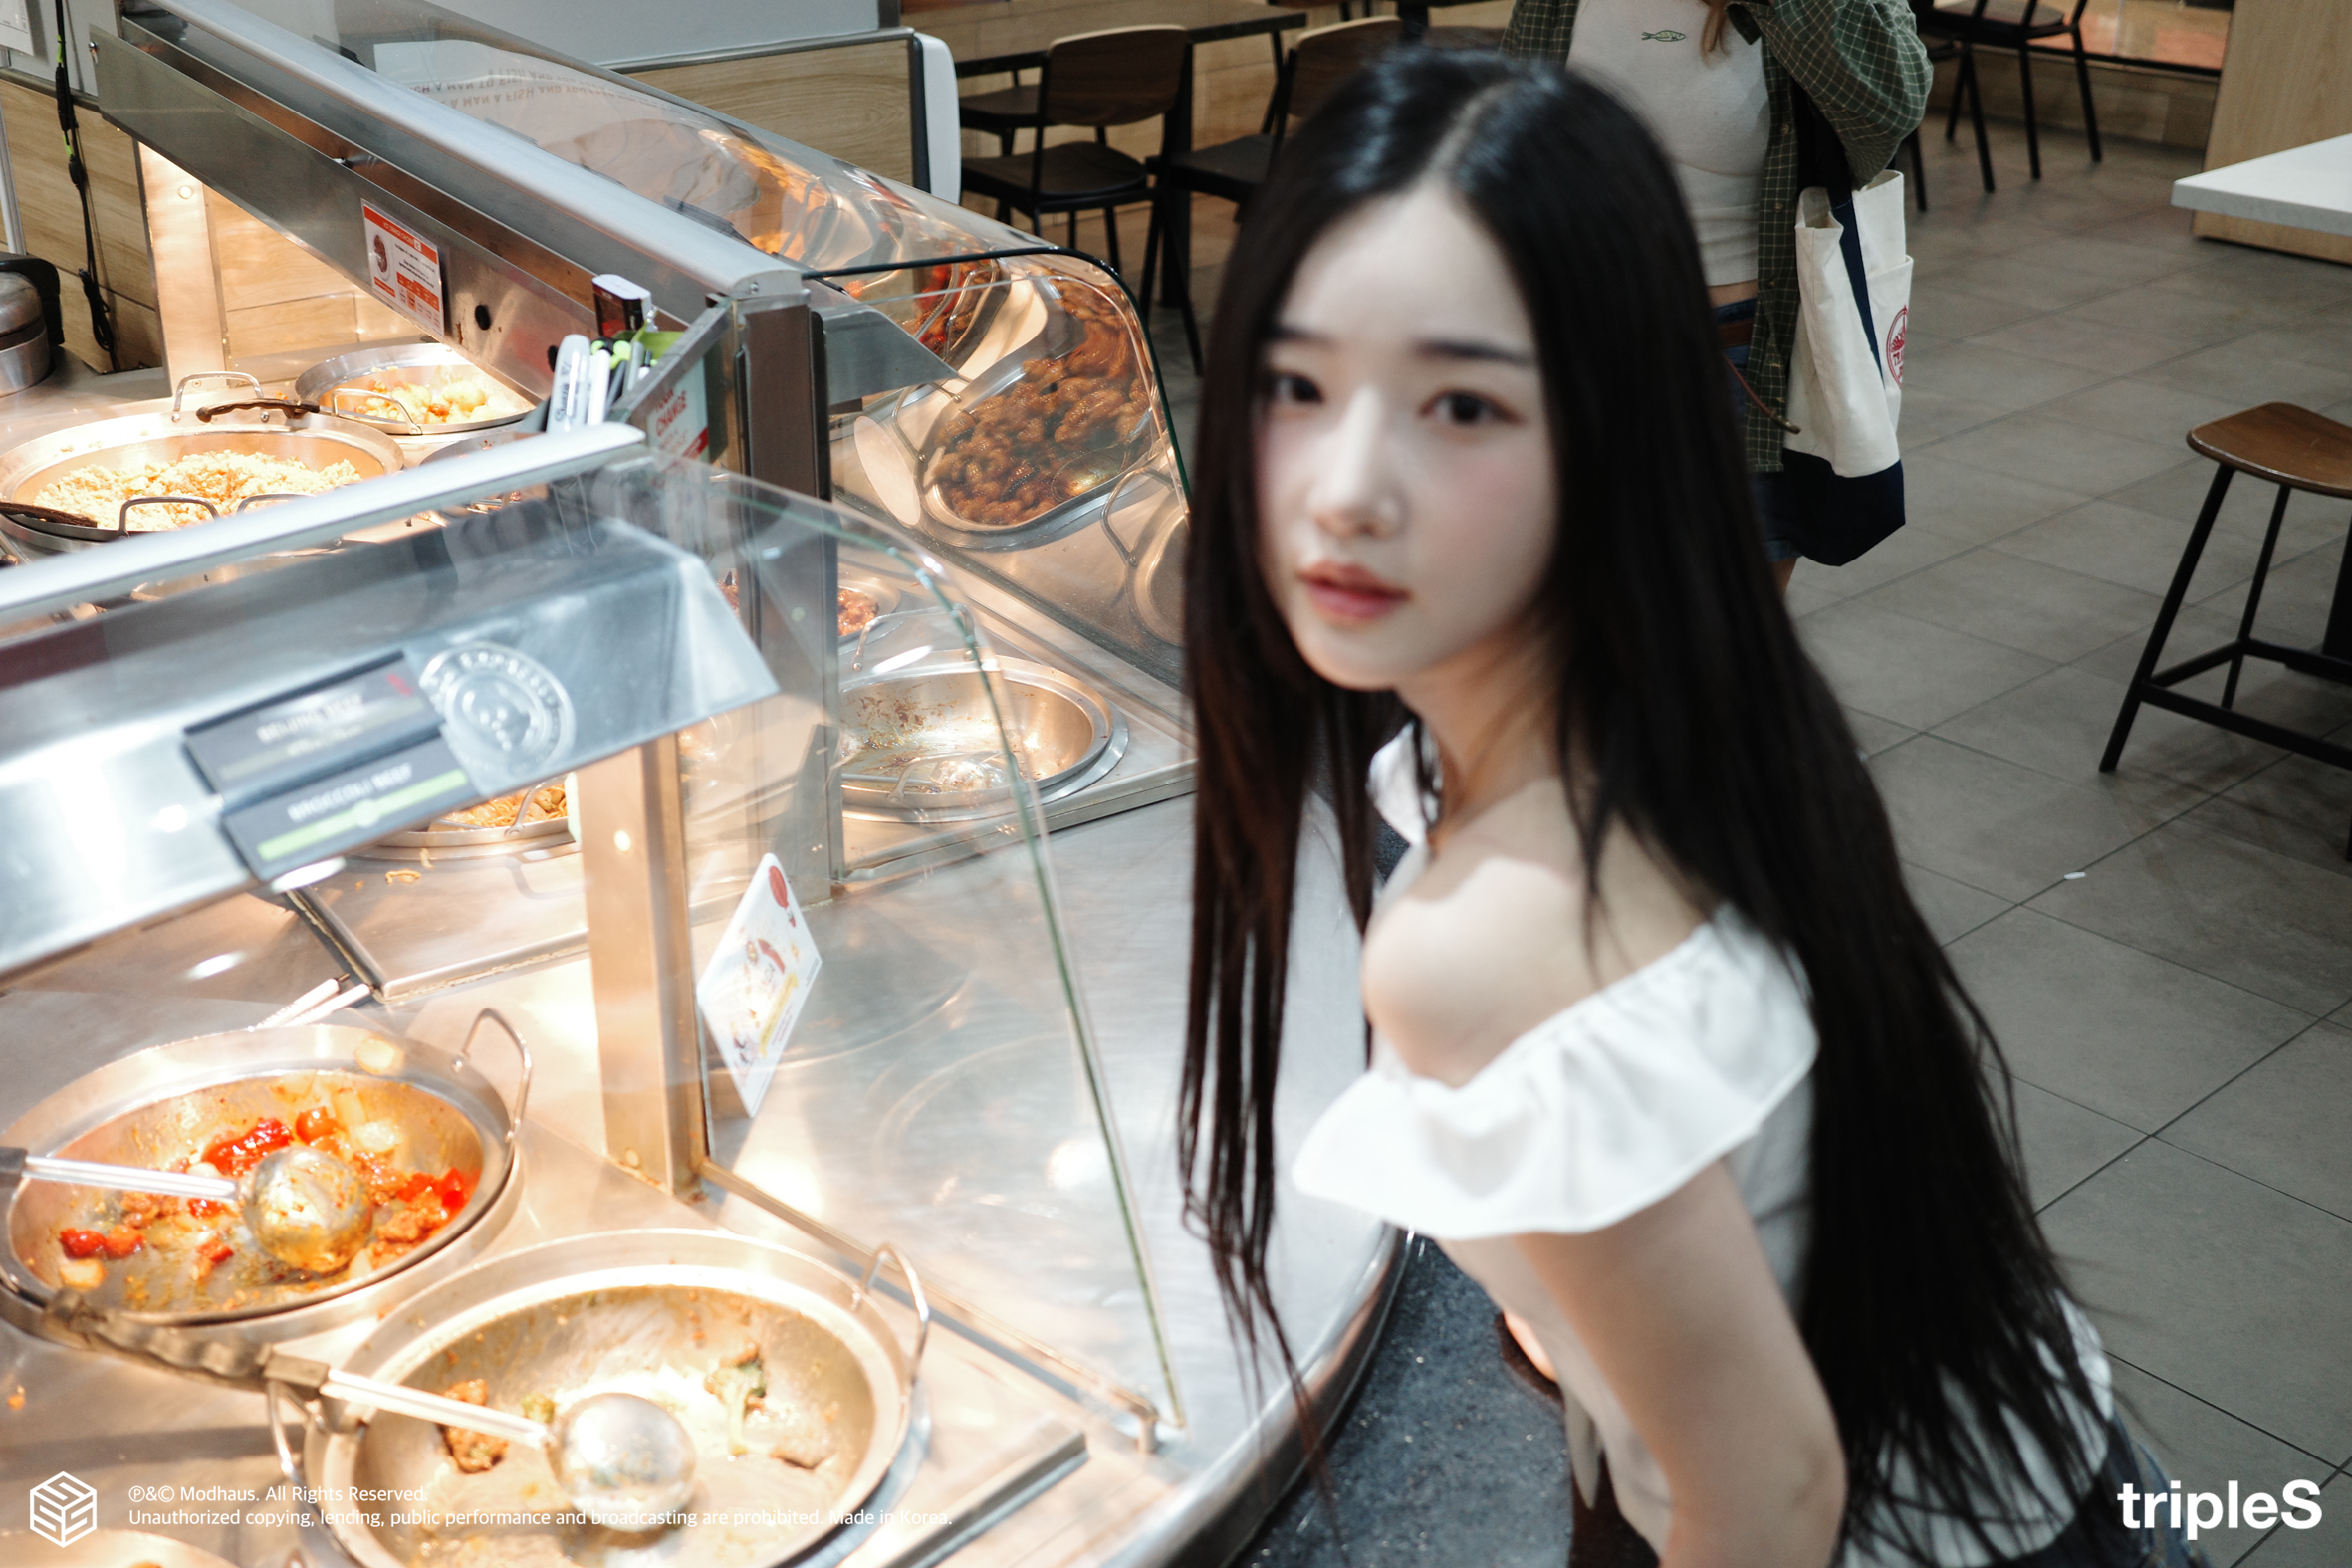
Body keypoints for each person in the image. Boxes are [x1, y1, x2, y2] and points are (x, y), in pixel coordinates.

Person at [1177, 50, 2206, 1568]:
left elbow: (1768, 1494)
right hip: (2051, 1455)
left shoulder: (1482, 945)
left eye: (1459, 403)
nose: (1343, 488)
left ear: (1612, 430)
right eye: (1295, 384)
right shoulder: (1698, 698)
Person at [1502, 0, 1930, 591]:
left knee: (1720, 629)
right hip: (1570, 342)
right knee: (1566, 619)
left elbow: (1887, 114)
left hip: (1736, 360)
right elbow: (1508, 144)